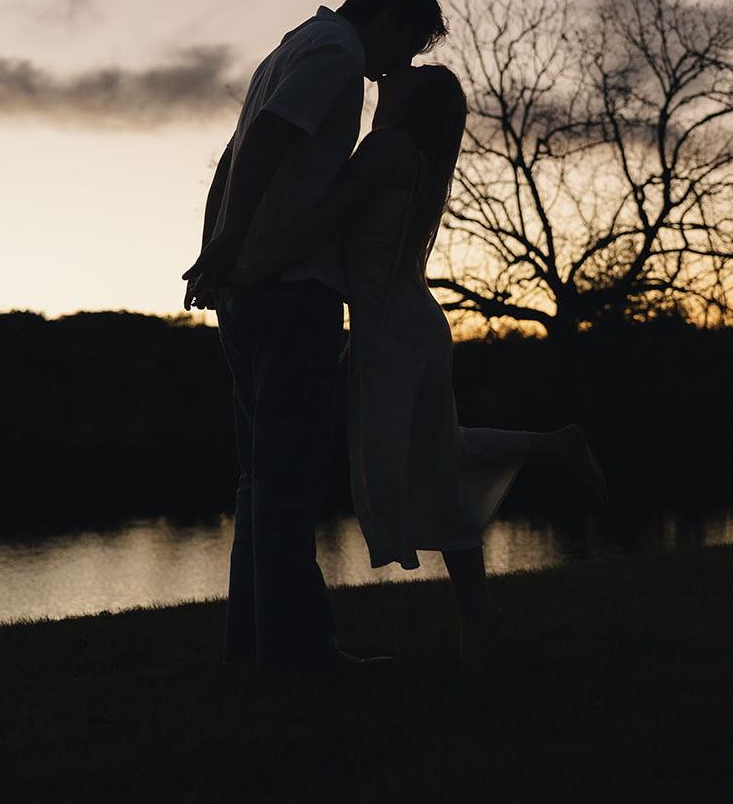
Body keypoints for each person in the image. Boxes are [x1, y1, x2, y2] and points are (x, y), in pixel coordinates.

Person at [235, 63, 609, 669]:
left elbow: (325, 217)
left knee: (423, 465)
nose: (394, 71)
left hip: (399, 334)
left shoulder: (387, 148)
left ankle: (480, 602)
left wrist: (249, 263)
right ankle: (546, 460)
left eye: (408, 75)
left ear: (414, 101)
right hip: (399, 329)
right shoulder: (407, 155)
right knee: (433, 457)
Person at [182, 0, 448, 674]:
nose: (397, 67)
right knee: (287, 482)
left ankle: (255, 646)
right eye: (407, 45)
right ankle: (298, 656)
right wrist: (227, 245)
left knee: (259, 479)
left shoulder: (294, 46)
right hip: (290, 289)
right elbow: (265, 140)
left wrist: (220, 250)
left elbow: (238, 153)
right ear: (387, 19)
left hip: (251, 285)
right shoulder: (336, 52)